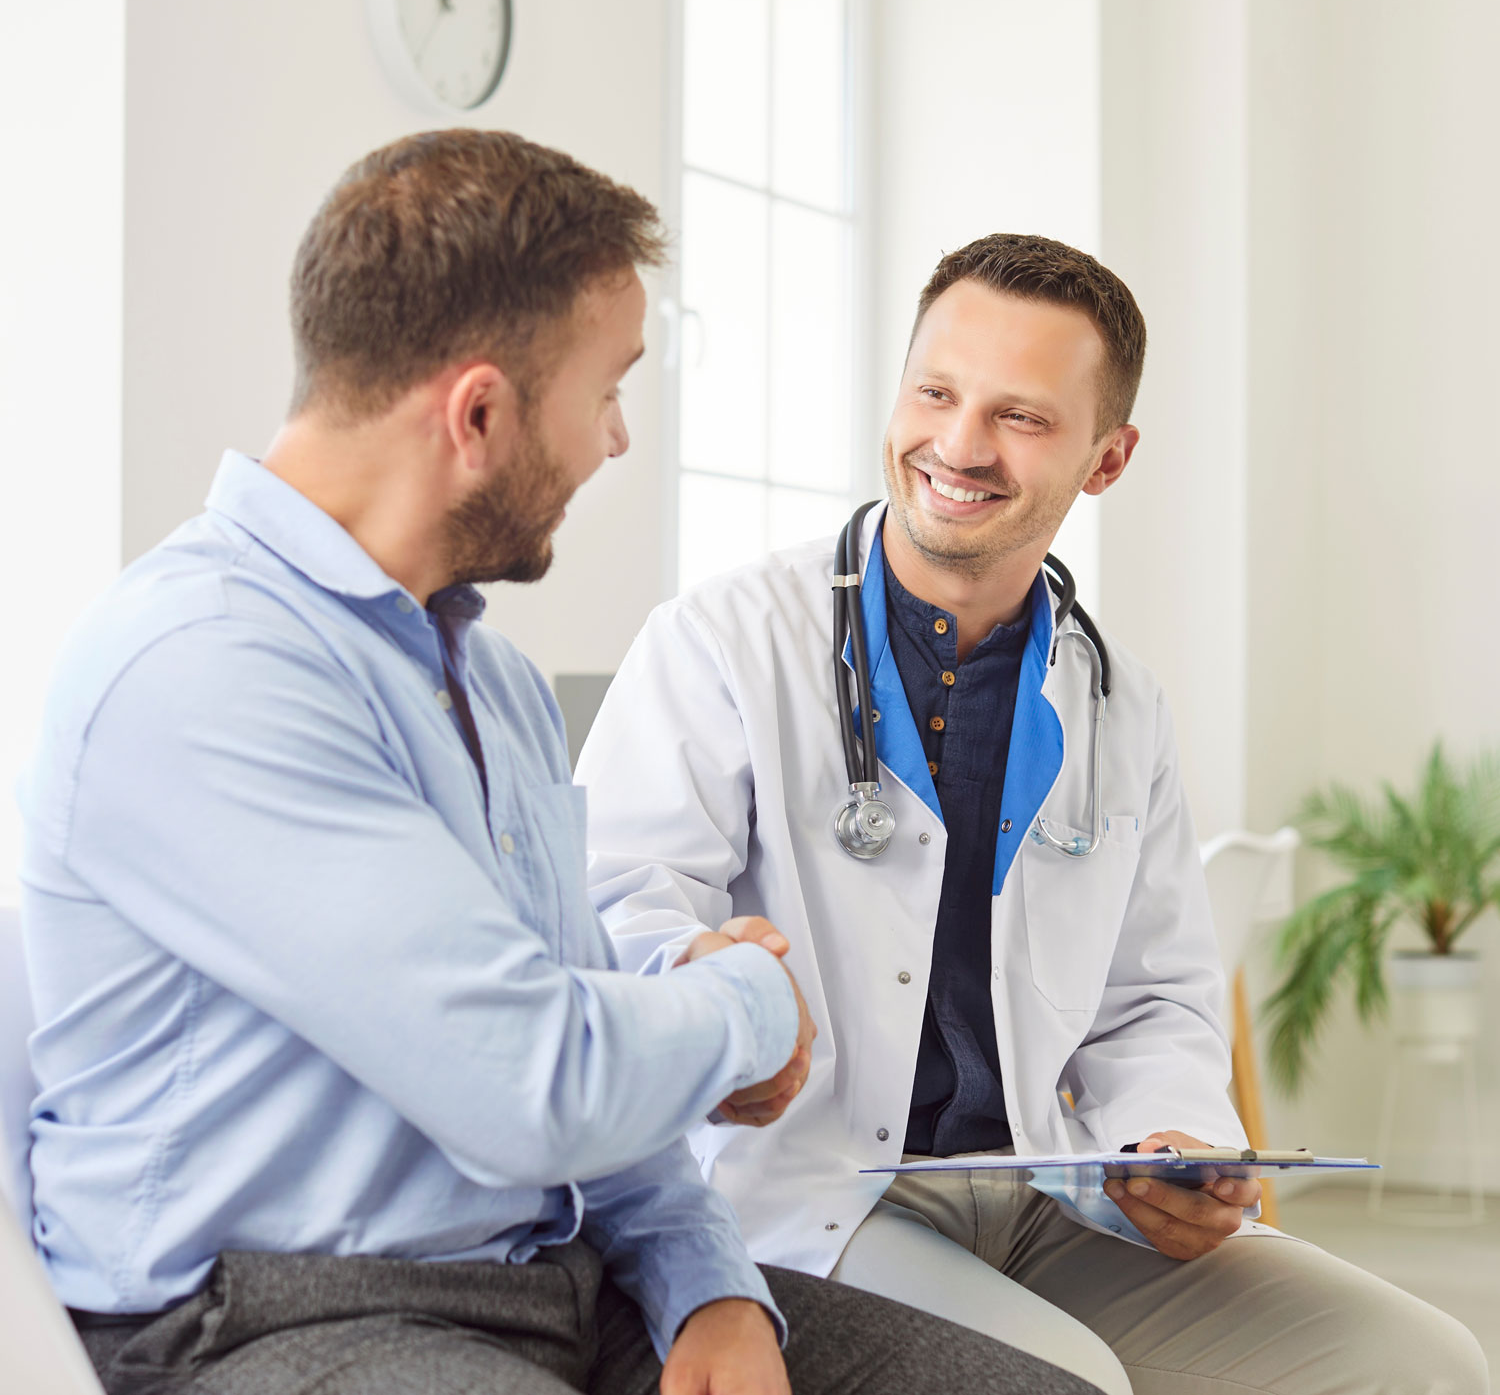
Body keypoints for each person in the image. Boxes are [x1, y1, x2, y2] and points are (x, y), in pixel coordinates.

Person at [17, 138, 1103, 1395]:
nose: (619, 439)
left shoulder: (494, 684)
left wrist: (702, 1281)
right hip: (272, 1316)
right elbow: (535, 1079)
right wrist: (751, 1006)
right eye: (607, 391)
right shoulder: (205, 669)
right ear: (479, 414)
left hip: (556, 1279)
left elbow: (588, 1064)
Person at [577, 234, 1490, 1395]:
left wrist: (1169, 1142)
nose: (959, 445)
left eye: (1022, 416)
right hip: (815, 1193)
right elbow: (613, 903)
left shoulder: (1118, 704)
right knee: (1070, 1382)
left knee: (1419, 1359)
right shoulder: (724, 642)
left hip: (1040, 1190)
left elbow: (1152, 997)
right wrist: (703, 971)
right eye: (937, 392)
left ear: (1108, 458)